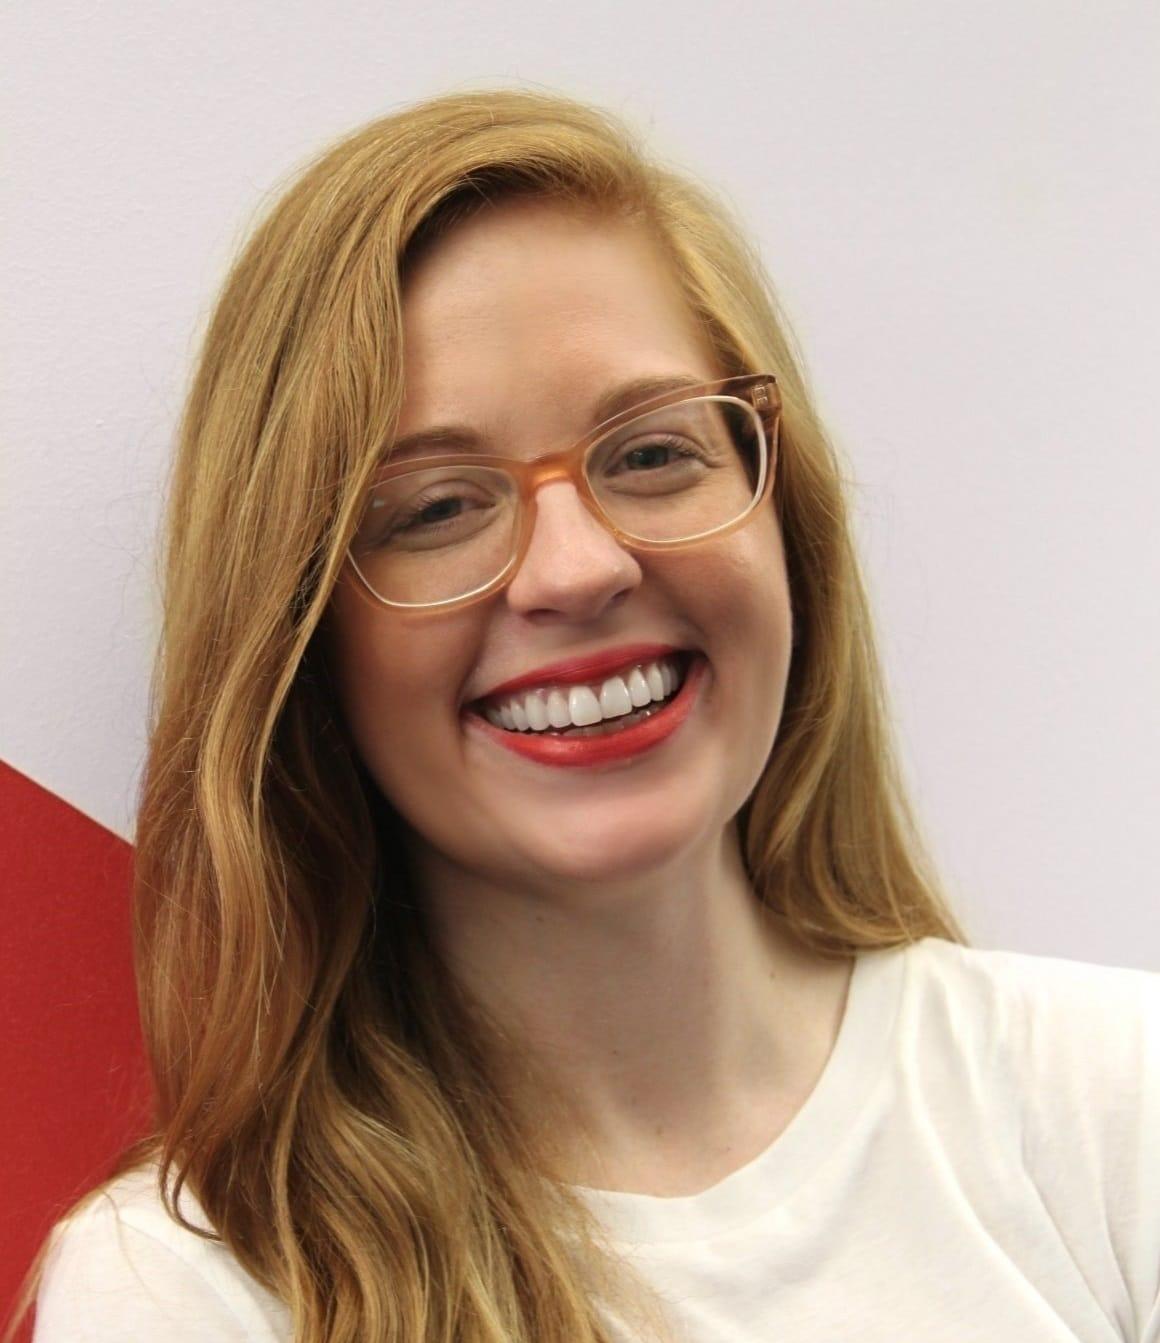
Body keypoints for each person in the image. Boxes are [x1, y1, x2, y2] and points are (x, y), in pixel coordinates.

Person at [11, 87, 1158, 1343]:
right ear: (300, 638)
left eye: (652, 453)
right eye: (435, 507)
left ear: (790, 519)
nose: (575, 568)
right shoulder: (189, 1290)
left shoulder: (1111, 1100)